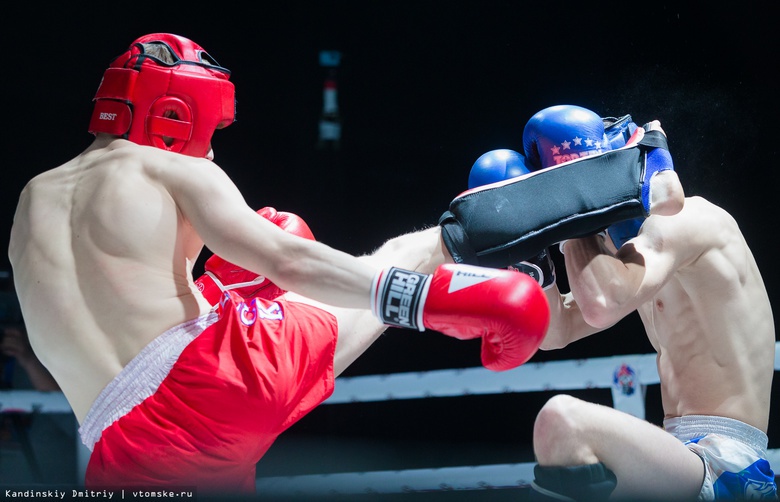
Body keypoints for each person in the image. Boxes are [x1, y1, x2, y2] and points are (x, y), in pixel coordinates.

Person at [7, 33, 551, 494]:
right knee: (391, 257)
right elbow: (288, 259)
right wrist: (422, 301)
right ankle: (534, 211)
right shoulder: (169, 170)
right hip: (213, 386)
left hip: (113, 445)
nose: (212, 151)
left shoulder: (33, 197)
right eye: (209, 130)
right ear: (174, 113)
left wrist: (217, 290)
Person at [514, 105, 777, 500]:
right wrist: (532, 250)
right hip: (683, 460)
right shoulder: (637, 261)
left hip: (730, 466)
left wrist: (573, 211)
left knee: (562, 423)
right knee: (569, 451)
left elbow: (600, 302)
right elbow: (557, 330)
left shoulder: (692, 221)